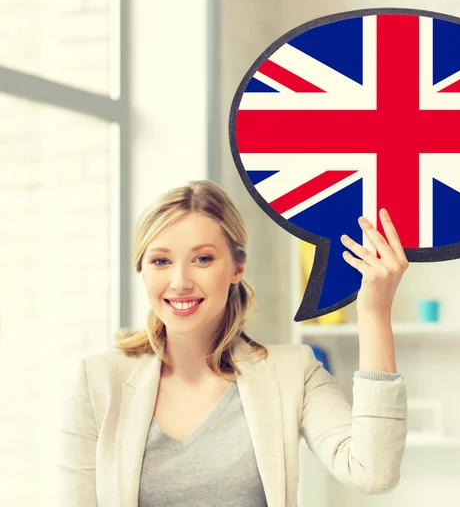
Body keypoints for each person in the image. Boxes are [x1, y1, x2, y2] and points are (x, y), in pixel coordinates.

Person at [57, 179, 409, 507]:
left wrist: (375, 313)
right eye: (161, 261)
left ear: (237, 267)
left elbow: (373, 472)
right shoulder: (98, 382)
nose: (180, 282)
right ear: (142, 269)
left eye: (203, 259)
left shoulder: (293, 372)